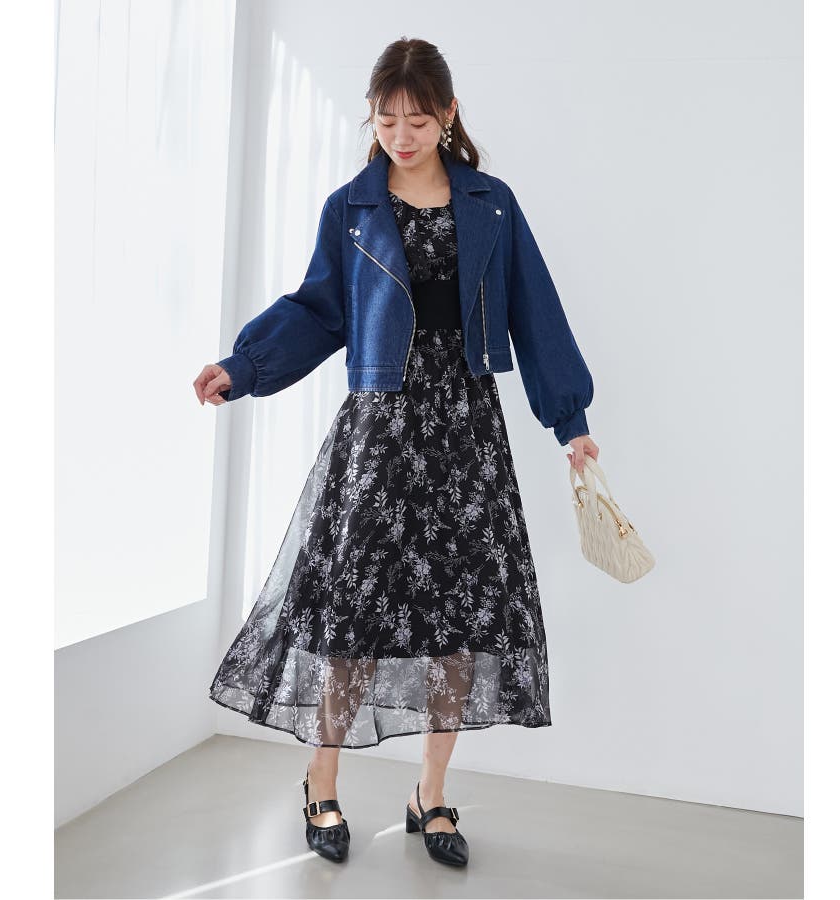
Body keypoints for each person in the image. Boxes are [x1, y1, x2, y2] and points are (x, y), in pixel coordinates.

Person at [193, 37, 599, 868]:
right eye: (386, 119)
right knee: (354, 615)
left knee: (458, 619)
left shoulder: (491, 204)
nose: (401, 135)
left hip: (466, 432)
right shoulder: (352, 208)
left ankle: (432, 796)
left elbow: (534, 308)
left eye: (417, 119)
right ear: (372, 118)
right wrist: (245, 366)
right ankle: (322, 782)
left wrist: (571, 420)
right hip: (381, 432)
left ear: (448, 114)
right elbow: (317, 310)